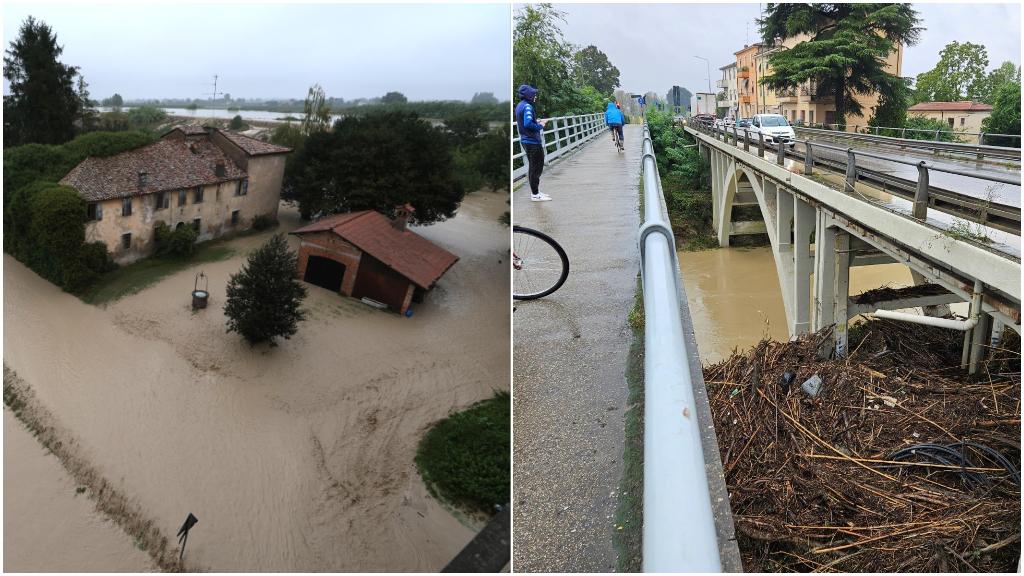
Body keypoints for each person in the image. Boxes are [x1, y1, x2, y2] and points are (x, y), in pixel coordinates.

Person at [515, 84, 550, 202]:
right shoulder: (528, 107)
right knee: (536, 168)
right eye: (534, 94)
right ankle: (535, 194)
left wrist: (537, 120)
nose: (535, 96)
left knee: (533, 168)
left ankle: (536, 192)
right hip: (532, 142)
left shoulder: (520, 105)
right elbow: (528, 124)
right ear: (529, 95)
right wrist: (541, 125)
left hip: (526, 141)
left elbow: (526, 121)